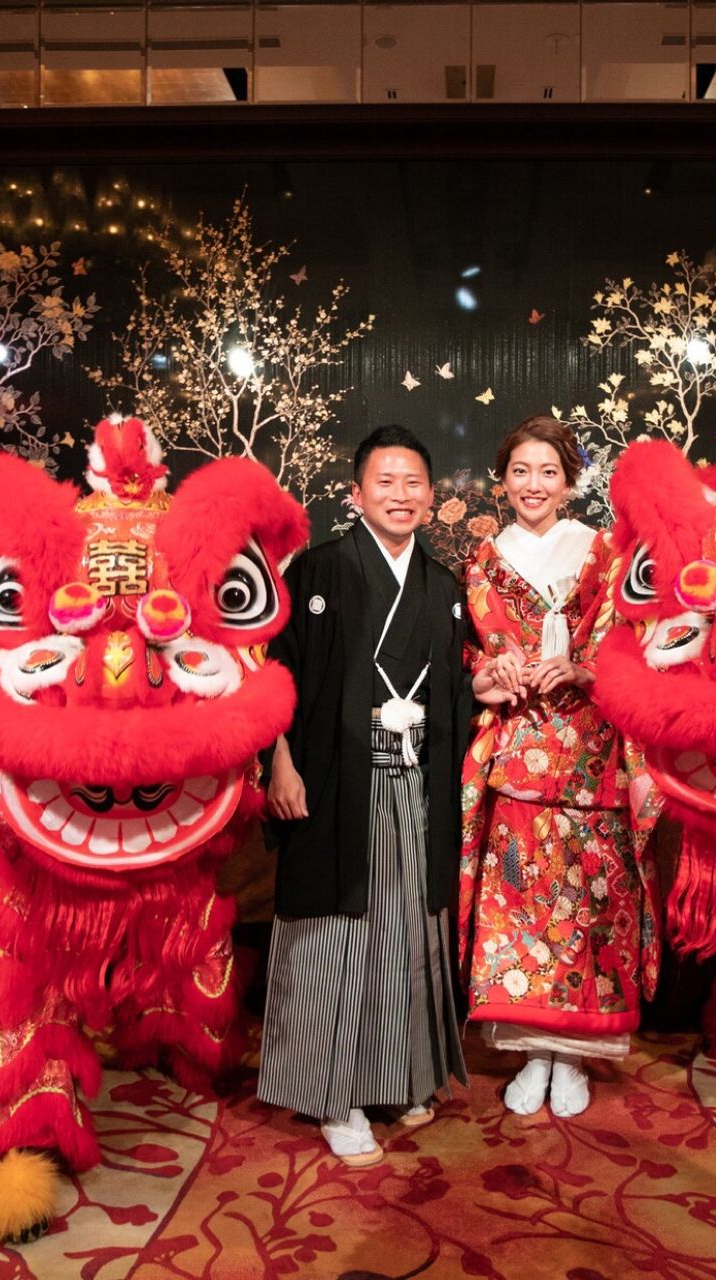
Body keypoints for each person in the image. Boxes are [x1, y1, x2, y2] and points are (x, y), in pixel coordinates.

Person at [257, 425, 471, 1167]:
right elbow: (272, 675)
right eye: (385, 481)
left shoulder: (443, 586)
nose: (400, 495)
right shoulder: (317, 571)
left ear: (431, 496)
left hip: (415, 784)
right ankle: (333, 1097)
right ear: (356, 493)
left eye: (414, 483)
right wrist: (279, 764)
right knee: (336, 939)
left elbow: (457, 690)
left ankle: (399, 1077)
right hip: (332, 783)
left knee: (408, 935)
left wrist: (487, 686)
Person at [459, 415, 661, 1117]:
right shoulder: (484, 560)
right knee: (520, 901)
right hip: (519, 749)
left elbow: (634, 641)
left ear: (571, 483)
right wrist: (491, 670)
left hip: (589, 749)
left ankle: (571, 1055)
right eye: (520, 471)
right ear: (502, 480)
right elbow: (469, 649)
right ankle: (532, 1052)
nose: (533, 484)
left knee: (590, 903)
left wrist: (582, 668)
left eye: (549, 472)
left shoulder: (605, 554)